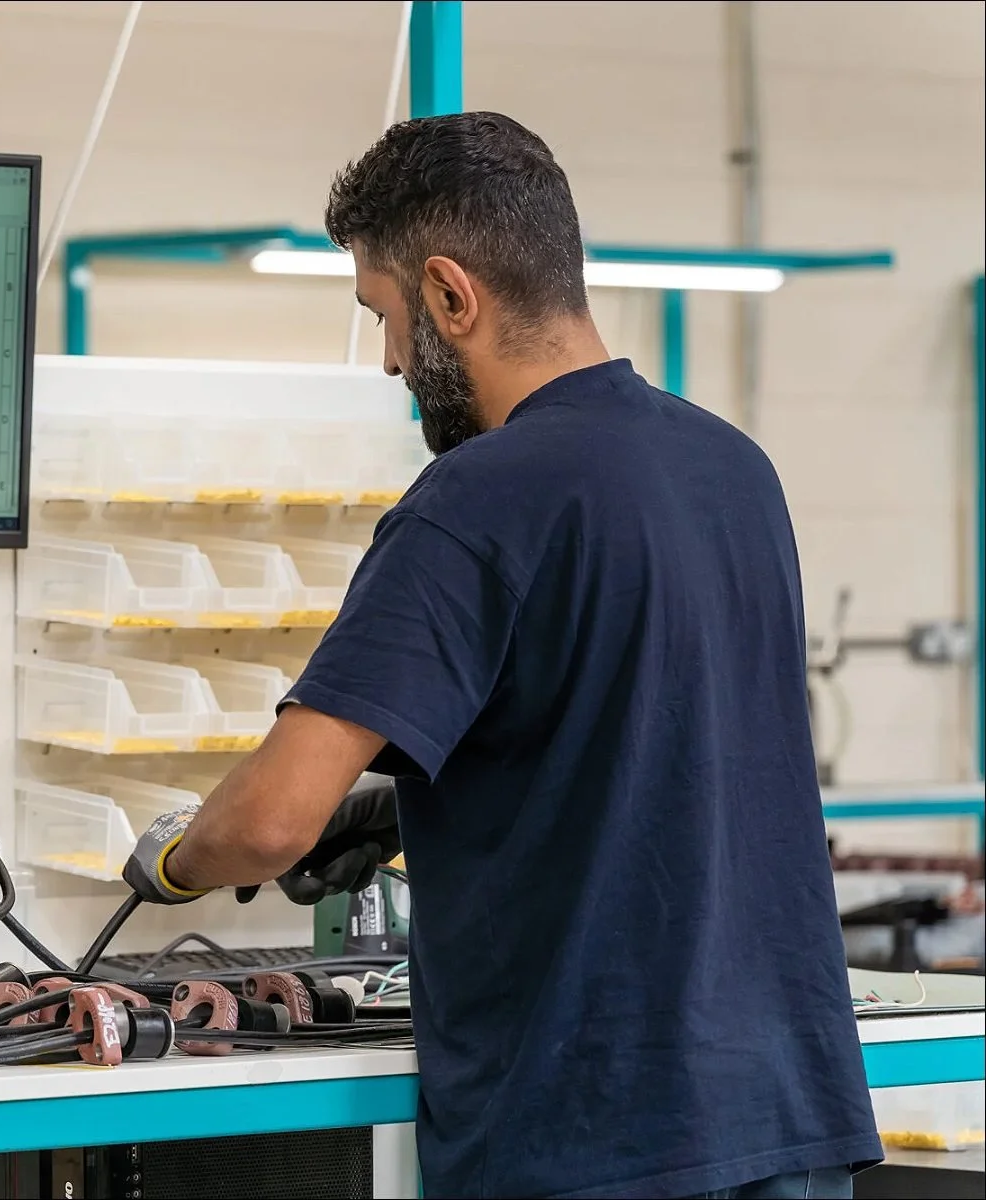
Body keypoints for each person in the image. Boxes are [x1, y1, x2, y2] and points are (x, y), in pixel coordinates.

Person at [120, 112, 881, 1200]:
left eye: (382, 317)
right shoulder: (734, 470)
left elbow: (273, 823)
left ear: (449, 295)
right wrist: (404, 807)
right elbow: (645, 736)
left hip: (595, 1136)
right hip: (785, 1119)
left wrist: (174, 860)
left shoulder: (477, 499)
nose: (388, 362)